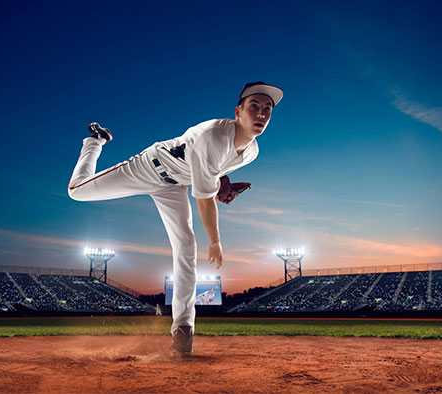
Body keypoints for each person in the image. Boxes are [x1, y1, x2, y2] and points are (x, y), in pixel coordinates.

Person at [67, 81, 283, 353]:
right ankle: (95, 142)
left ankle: (183, 328)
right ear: (238, 111)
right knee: (77, 192)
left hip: (175, 186)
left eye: (267, 109)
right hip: (148, 168)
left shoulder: (251, 152)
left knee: (186, 245)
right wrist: (215, 239)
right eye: (254, 106)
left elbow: (210, 171)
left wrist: (219, 187)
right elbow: (203, 197)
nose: (261, 114)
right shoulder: (213, 135)